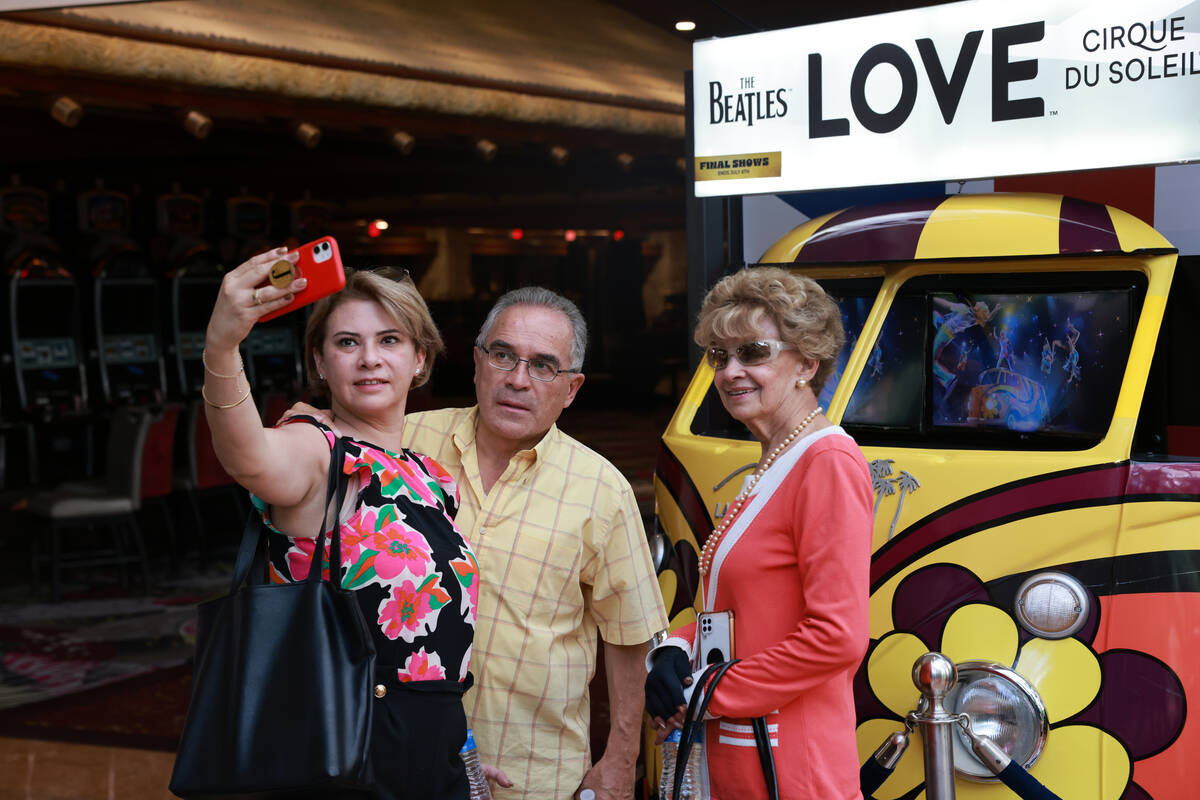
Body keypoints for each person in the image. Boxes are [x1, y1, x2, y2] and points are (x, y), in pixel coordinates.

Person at [285, 286, 668, 800]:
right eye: (503, 355)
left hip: (533, 771)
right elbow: (311, 454)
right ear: (476, 362)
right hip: (391, 757)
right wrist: (304, 422)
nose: (517, 379)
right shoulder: (402, 443)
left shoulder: (602, 490)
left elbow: (631, 634)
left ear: (572, 388)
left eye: (543, 366)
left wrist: (622, 759)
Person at [202, 249, 481, 800]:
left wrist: (455, 751)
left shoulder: (429, 476)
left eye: (390, 340)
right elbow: (249, 458)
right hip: (345, 750)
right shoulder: (318, 448)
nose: (369, 359)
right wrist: (222, 345)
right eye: (347, 342)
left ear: (420, 359)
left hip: (434, 749)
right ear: (320, 362)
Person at [644, 267, 873, 800]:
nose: (731, 372)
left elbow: (836, 637)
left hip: (793, 766)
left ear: (807, 363)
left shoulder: (828, 461)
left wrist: (701, 690)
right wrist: (676, 653)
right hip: (745, 755)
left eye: (753, 352)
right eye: (719, 357)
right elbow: (744, 614)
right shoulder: (774, 461)